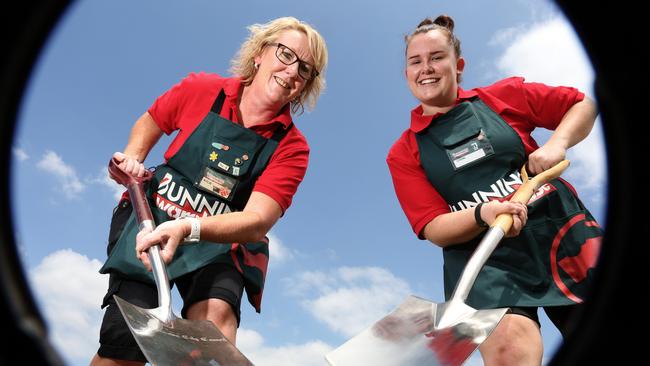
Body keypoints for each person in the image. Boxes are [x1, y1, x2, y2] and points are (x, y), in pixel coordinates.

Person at [90, 16, 328, 365]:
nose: (292, 71)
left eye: (305, 69)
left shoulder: (292, 147)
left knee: (212, 330)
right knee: (127, 343)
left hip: (217, 242)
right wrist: (133, 160)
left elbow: (257, 219)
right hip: (153, 220)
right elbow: (152, 121)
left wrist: (190, 228)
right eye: (286, 55)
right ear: (260, 53)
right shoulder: (203, 88)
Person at [386, 15, 602, 366]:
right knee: (509, 350)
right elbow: (433, 227)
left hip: (558, 229)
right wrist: (482, 214)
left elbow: (583, 105)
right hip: (484, 261)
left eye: (437, 57)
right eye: (416, 61)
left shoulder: (503, 96)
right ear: (407, 72)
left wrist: (556, 144)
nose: (426, 68)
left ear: (458, 65)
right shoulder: (404, 151)